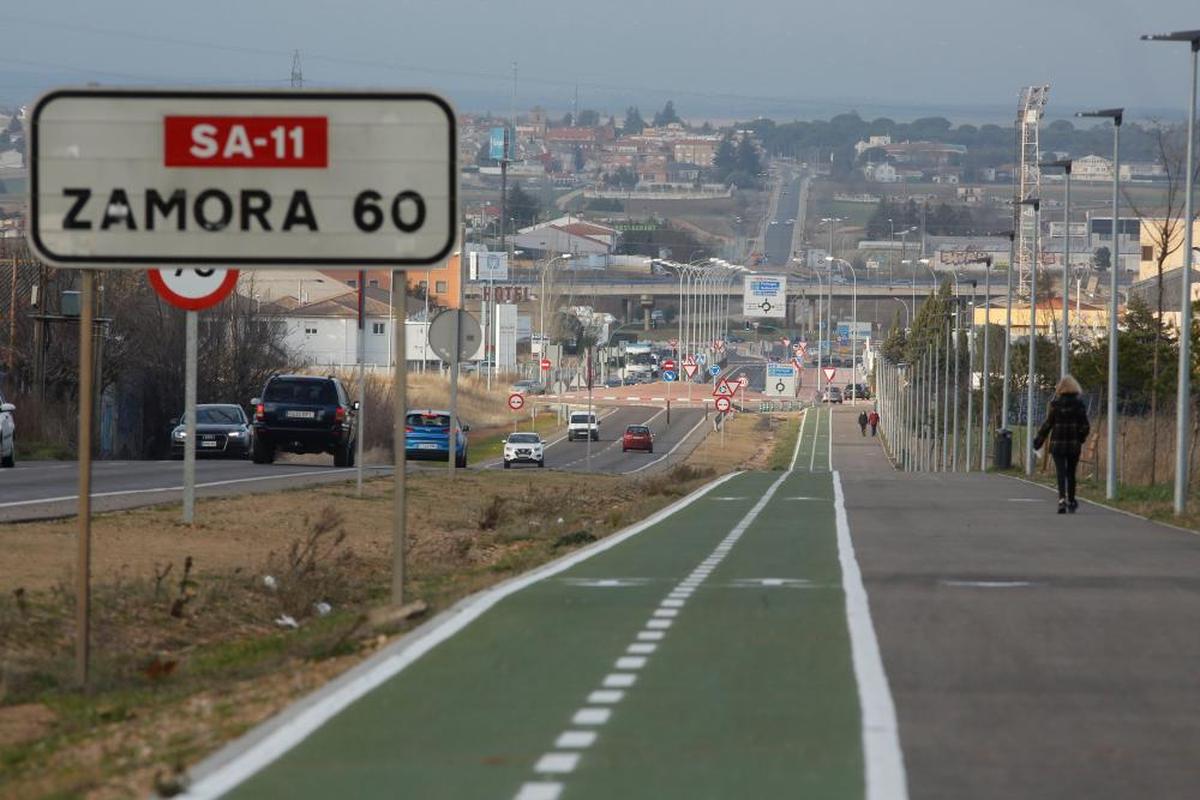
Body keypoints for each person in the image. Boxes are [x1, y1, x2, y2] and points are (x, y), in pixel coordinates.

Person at [1033, 375, 1091, 514]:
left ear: (1060, 388)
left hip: (1057, 444)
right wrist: (1080, 438)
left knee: (1061, 472)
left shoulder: (1055, 404)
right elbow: (1085, 426)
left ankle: (1061, 500)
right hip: (1073, 445)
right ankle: (1071, 500)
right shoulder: (1079, 405)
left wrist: (1038, 442)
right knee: (1071, 473)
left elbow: (1048, 425)